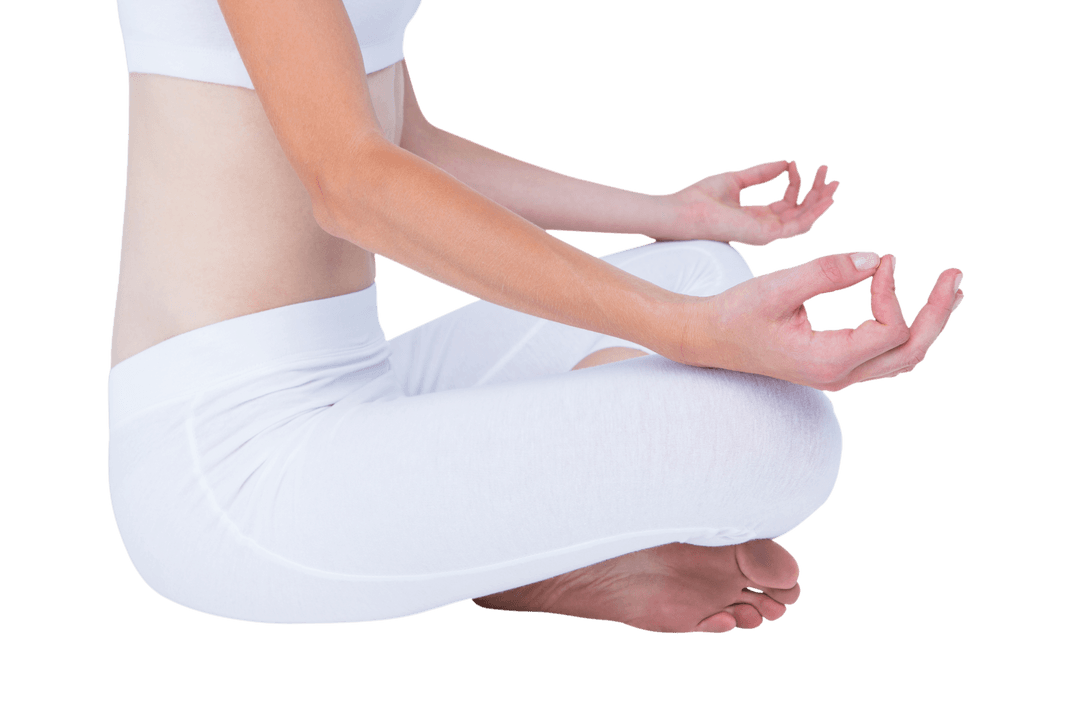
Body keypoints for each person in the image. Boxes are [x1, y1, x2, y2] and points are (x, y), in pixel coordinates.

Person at [107, 0, 964, 634]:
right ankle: (536, 559)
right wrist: (685, 333)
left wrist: (670, 215)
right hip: (227, 477)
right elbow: (351, 182)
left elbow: (407, 142)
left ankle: (494, 538)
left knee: (700, 273)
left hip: (356, 386)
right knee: (782, 443)